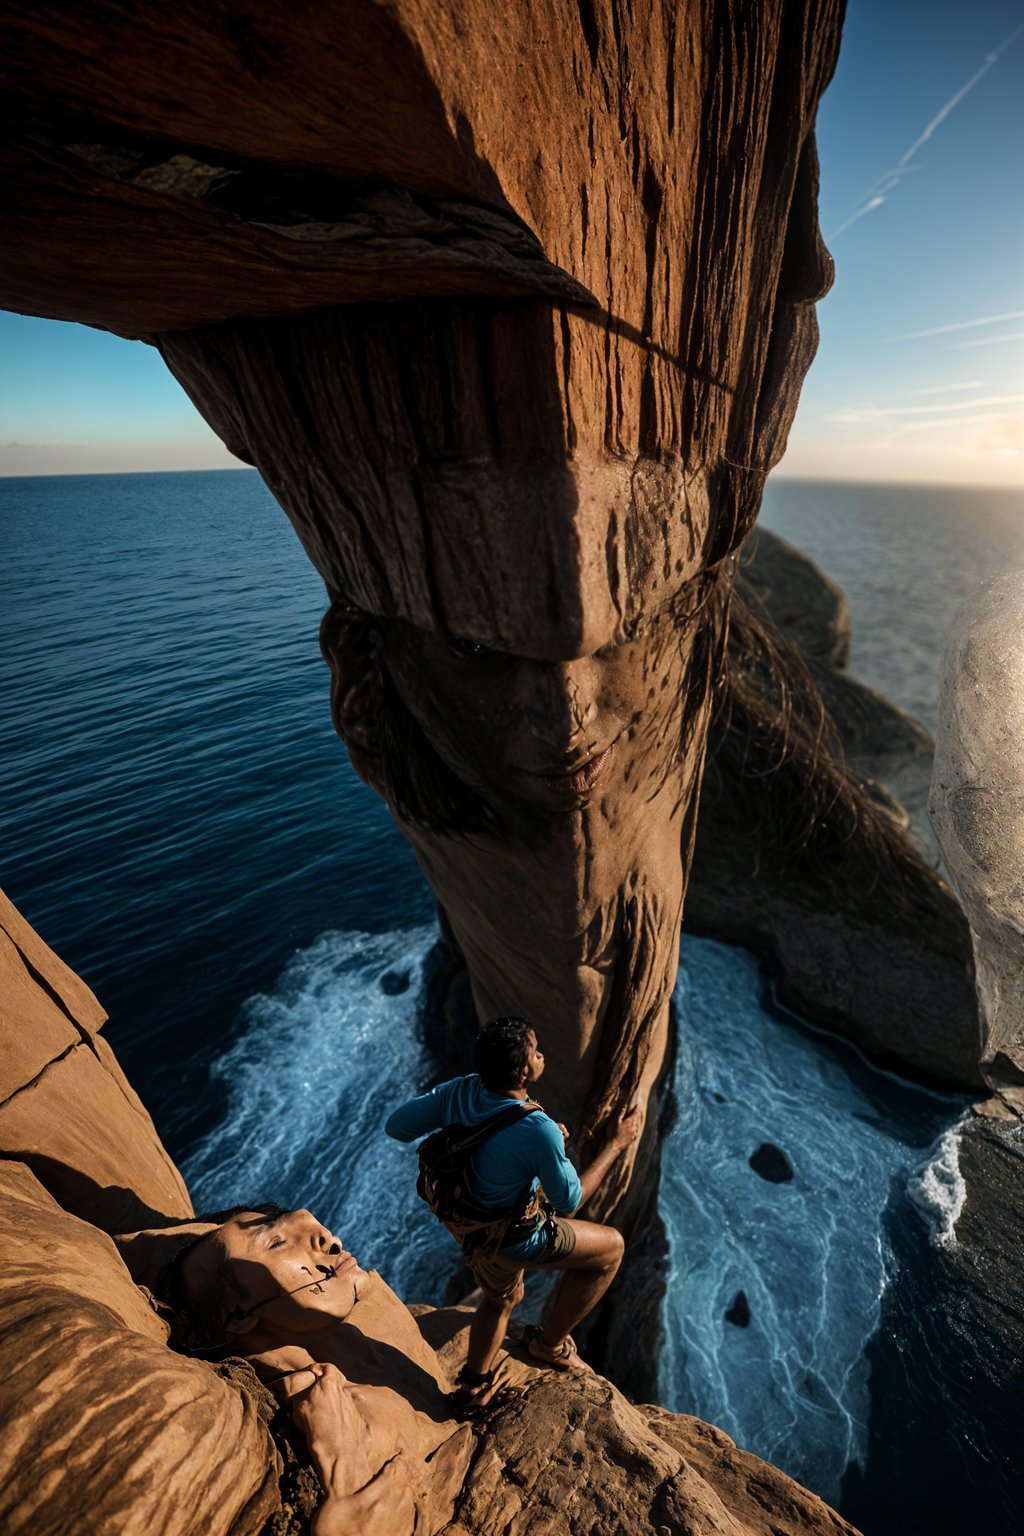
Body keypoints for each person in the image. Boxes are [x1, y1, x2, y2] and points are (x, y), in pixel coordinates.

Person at [164, 1203, 474, 1536]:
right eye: (276, 1242)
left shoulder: (367, 1329)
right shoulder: (326, 1406)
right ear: (239, 1316)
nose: (329, 1238)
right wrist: (346, 1467)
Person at [385, 1015, 641, 1407]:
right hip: (509, 1237)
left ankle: (475, 1382)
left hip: (465, 1220)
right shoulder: (538, 1130)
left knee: (503, 1297)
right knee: (611, 1250)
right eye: (536, 1051)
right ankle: (549, 1347)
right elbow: (570, 1202)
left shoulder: (460, 1091)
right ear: (523, 1070)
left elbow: (397, 1127)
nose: (542, 1055)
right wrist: (616, 1146)